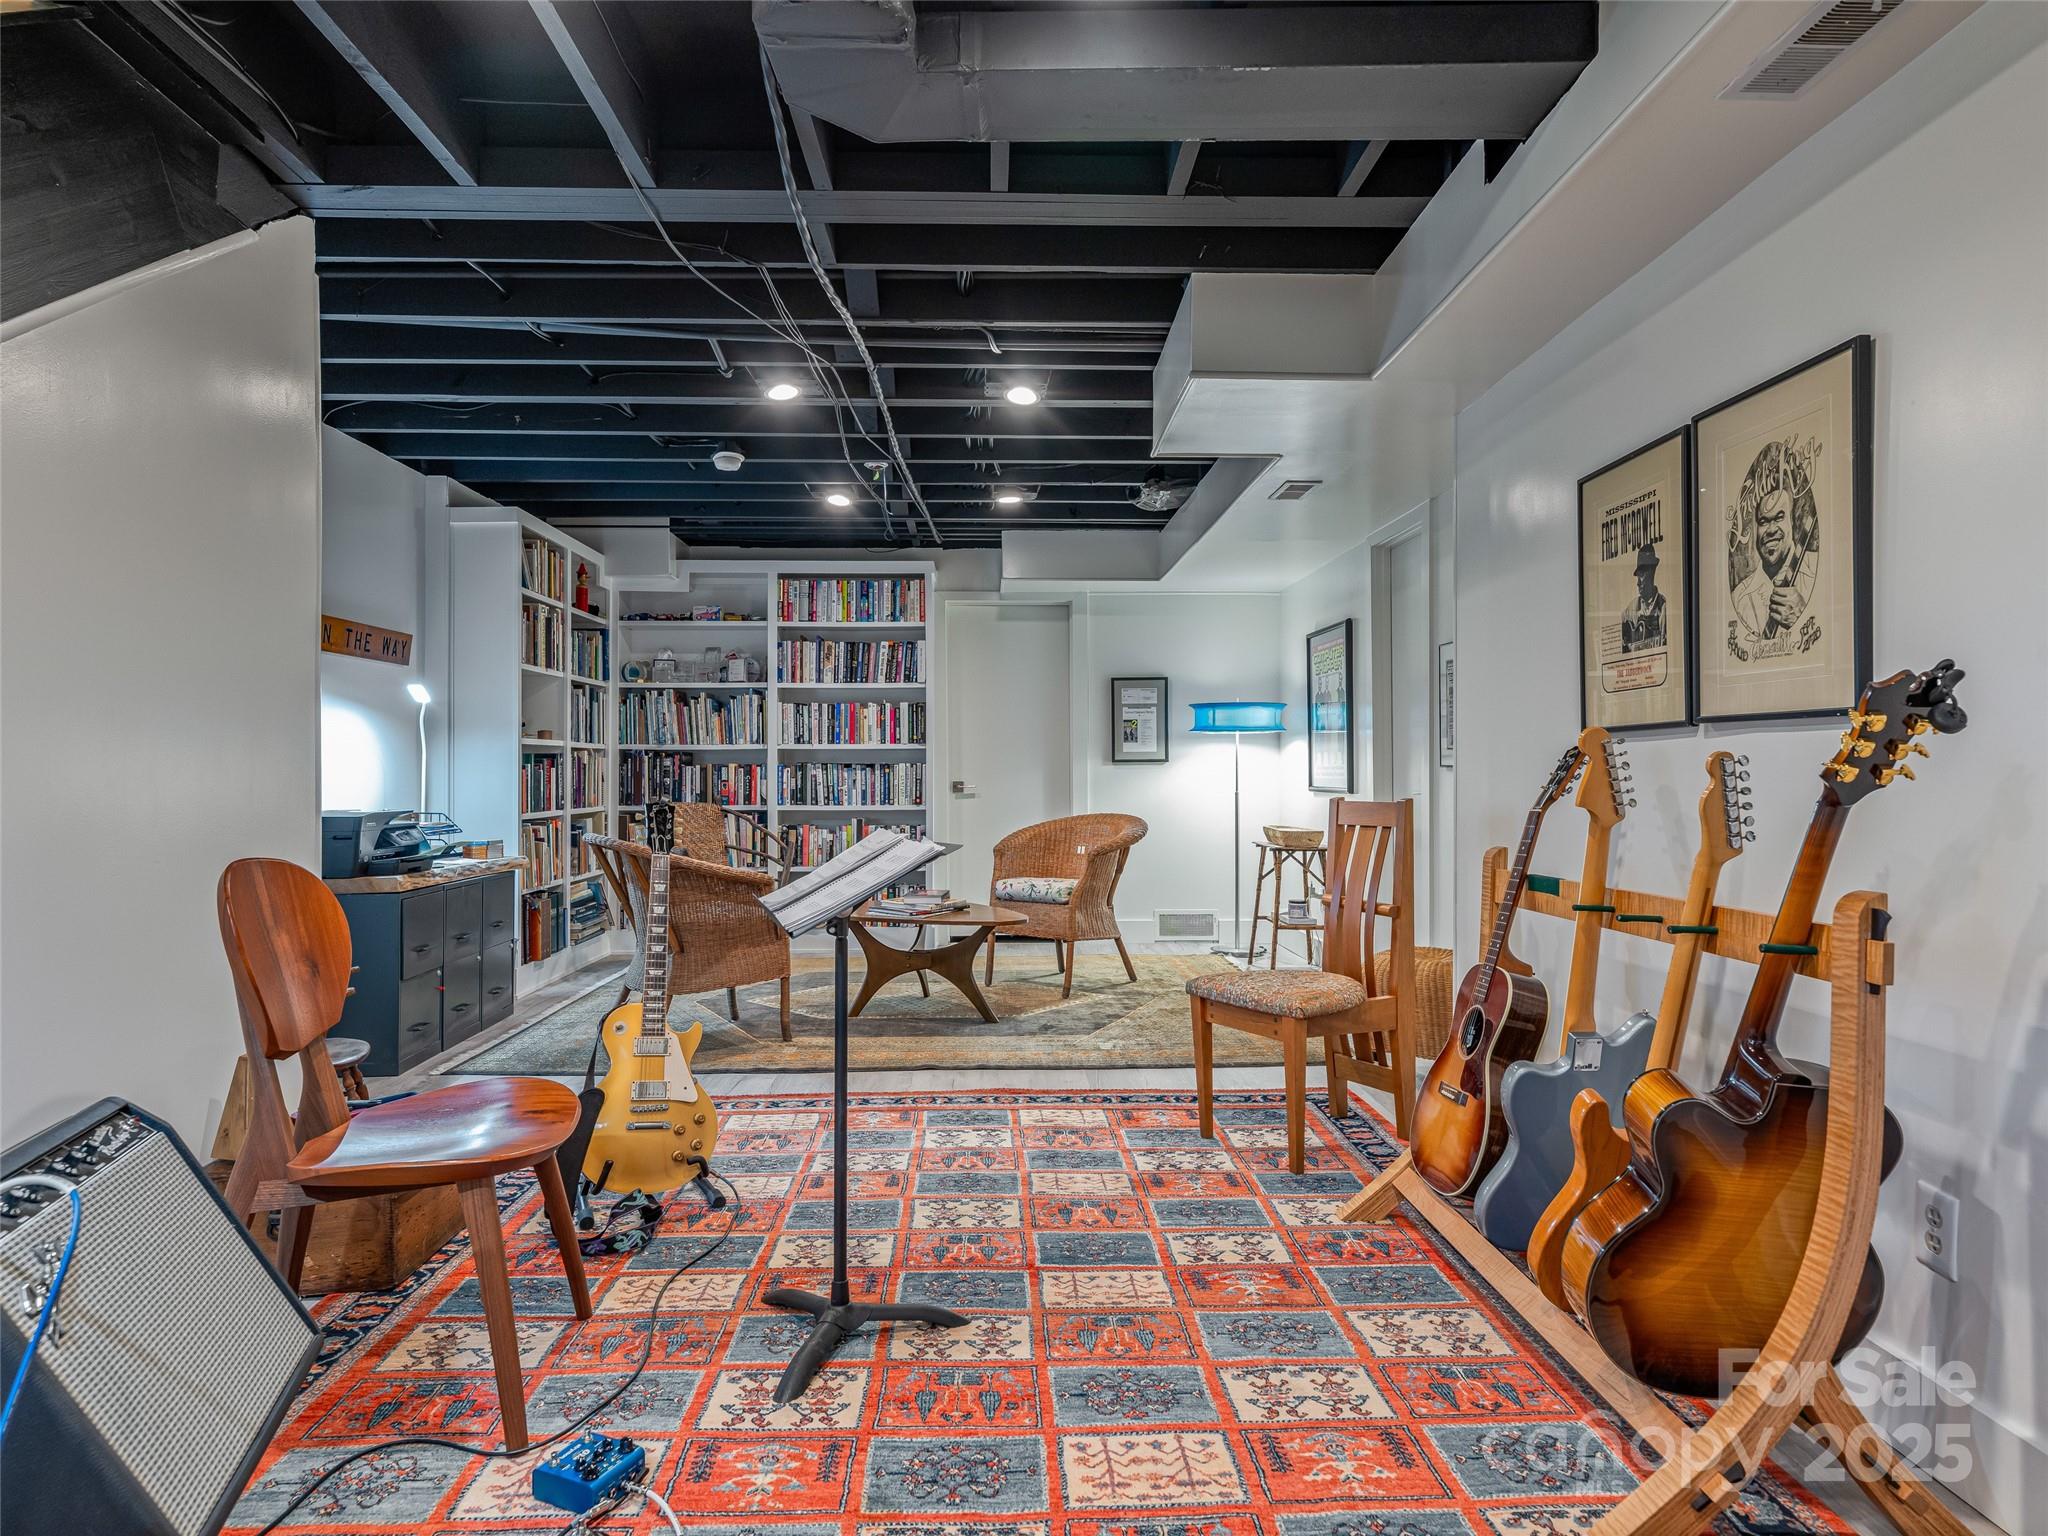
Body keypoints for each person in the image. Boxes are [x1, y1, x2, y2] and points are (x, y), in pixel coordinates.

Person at [1732, 481, 1816, 639]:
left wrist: (1803, 616)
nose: (1770, 530)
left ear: (1791, 521)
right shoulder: (1739, 598)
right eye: (1763, 522)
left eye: (1779, 518)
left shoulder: (1819, 569)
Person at [1621, 541, 1666, 652]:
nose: (1638, 583)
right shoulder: (1631, 609)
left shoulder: (1663, 607)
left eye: (1641, 576)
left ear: (1651, 572)